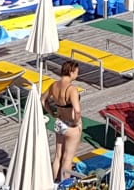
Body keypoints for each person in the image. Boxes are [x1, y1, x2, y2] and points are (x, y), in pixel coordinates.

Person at [43, 60, 84, 188]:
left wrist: (52, 113)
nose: (77, 74)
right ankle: (64, 185)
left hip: (59, 122)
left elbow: (43, 100)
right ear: (71, 72)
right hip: (71, 125)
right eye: (76, 72)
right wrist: (76, 122)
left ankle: (54, 182)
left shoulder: (54, 85)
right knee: (68, 157)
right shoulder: (72, 89)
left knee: (58, 155)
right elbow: (77, 110)